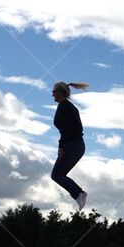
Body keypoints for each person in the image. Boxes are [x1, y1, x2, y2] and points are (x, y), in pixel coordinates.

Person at [51, 81, 90, 210]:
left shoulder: (65, 107)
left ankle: (79, 193)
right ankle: (79, 193)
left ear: (61, 92)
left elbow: (71, 129)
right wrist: (61, 145)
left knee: (57, 175)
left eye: (54, 91)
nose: (52, 95)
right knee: (58, 175)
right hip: (74, 145)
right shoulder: (64, 106)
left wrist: (61, 145)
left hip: (73, 145)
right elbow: (66, 129)